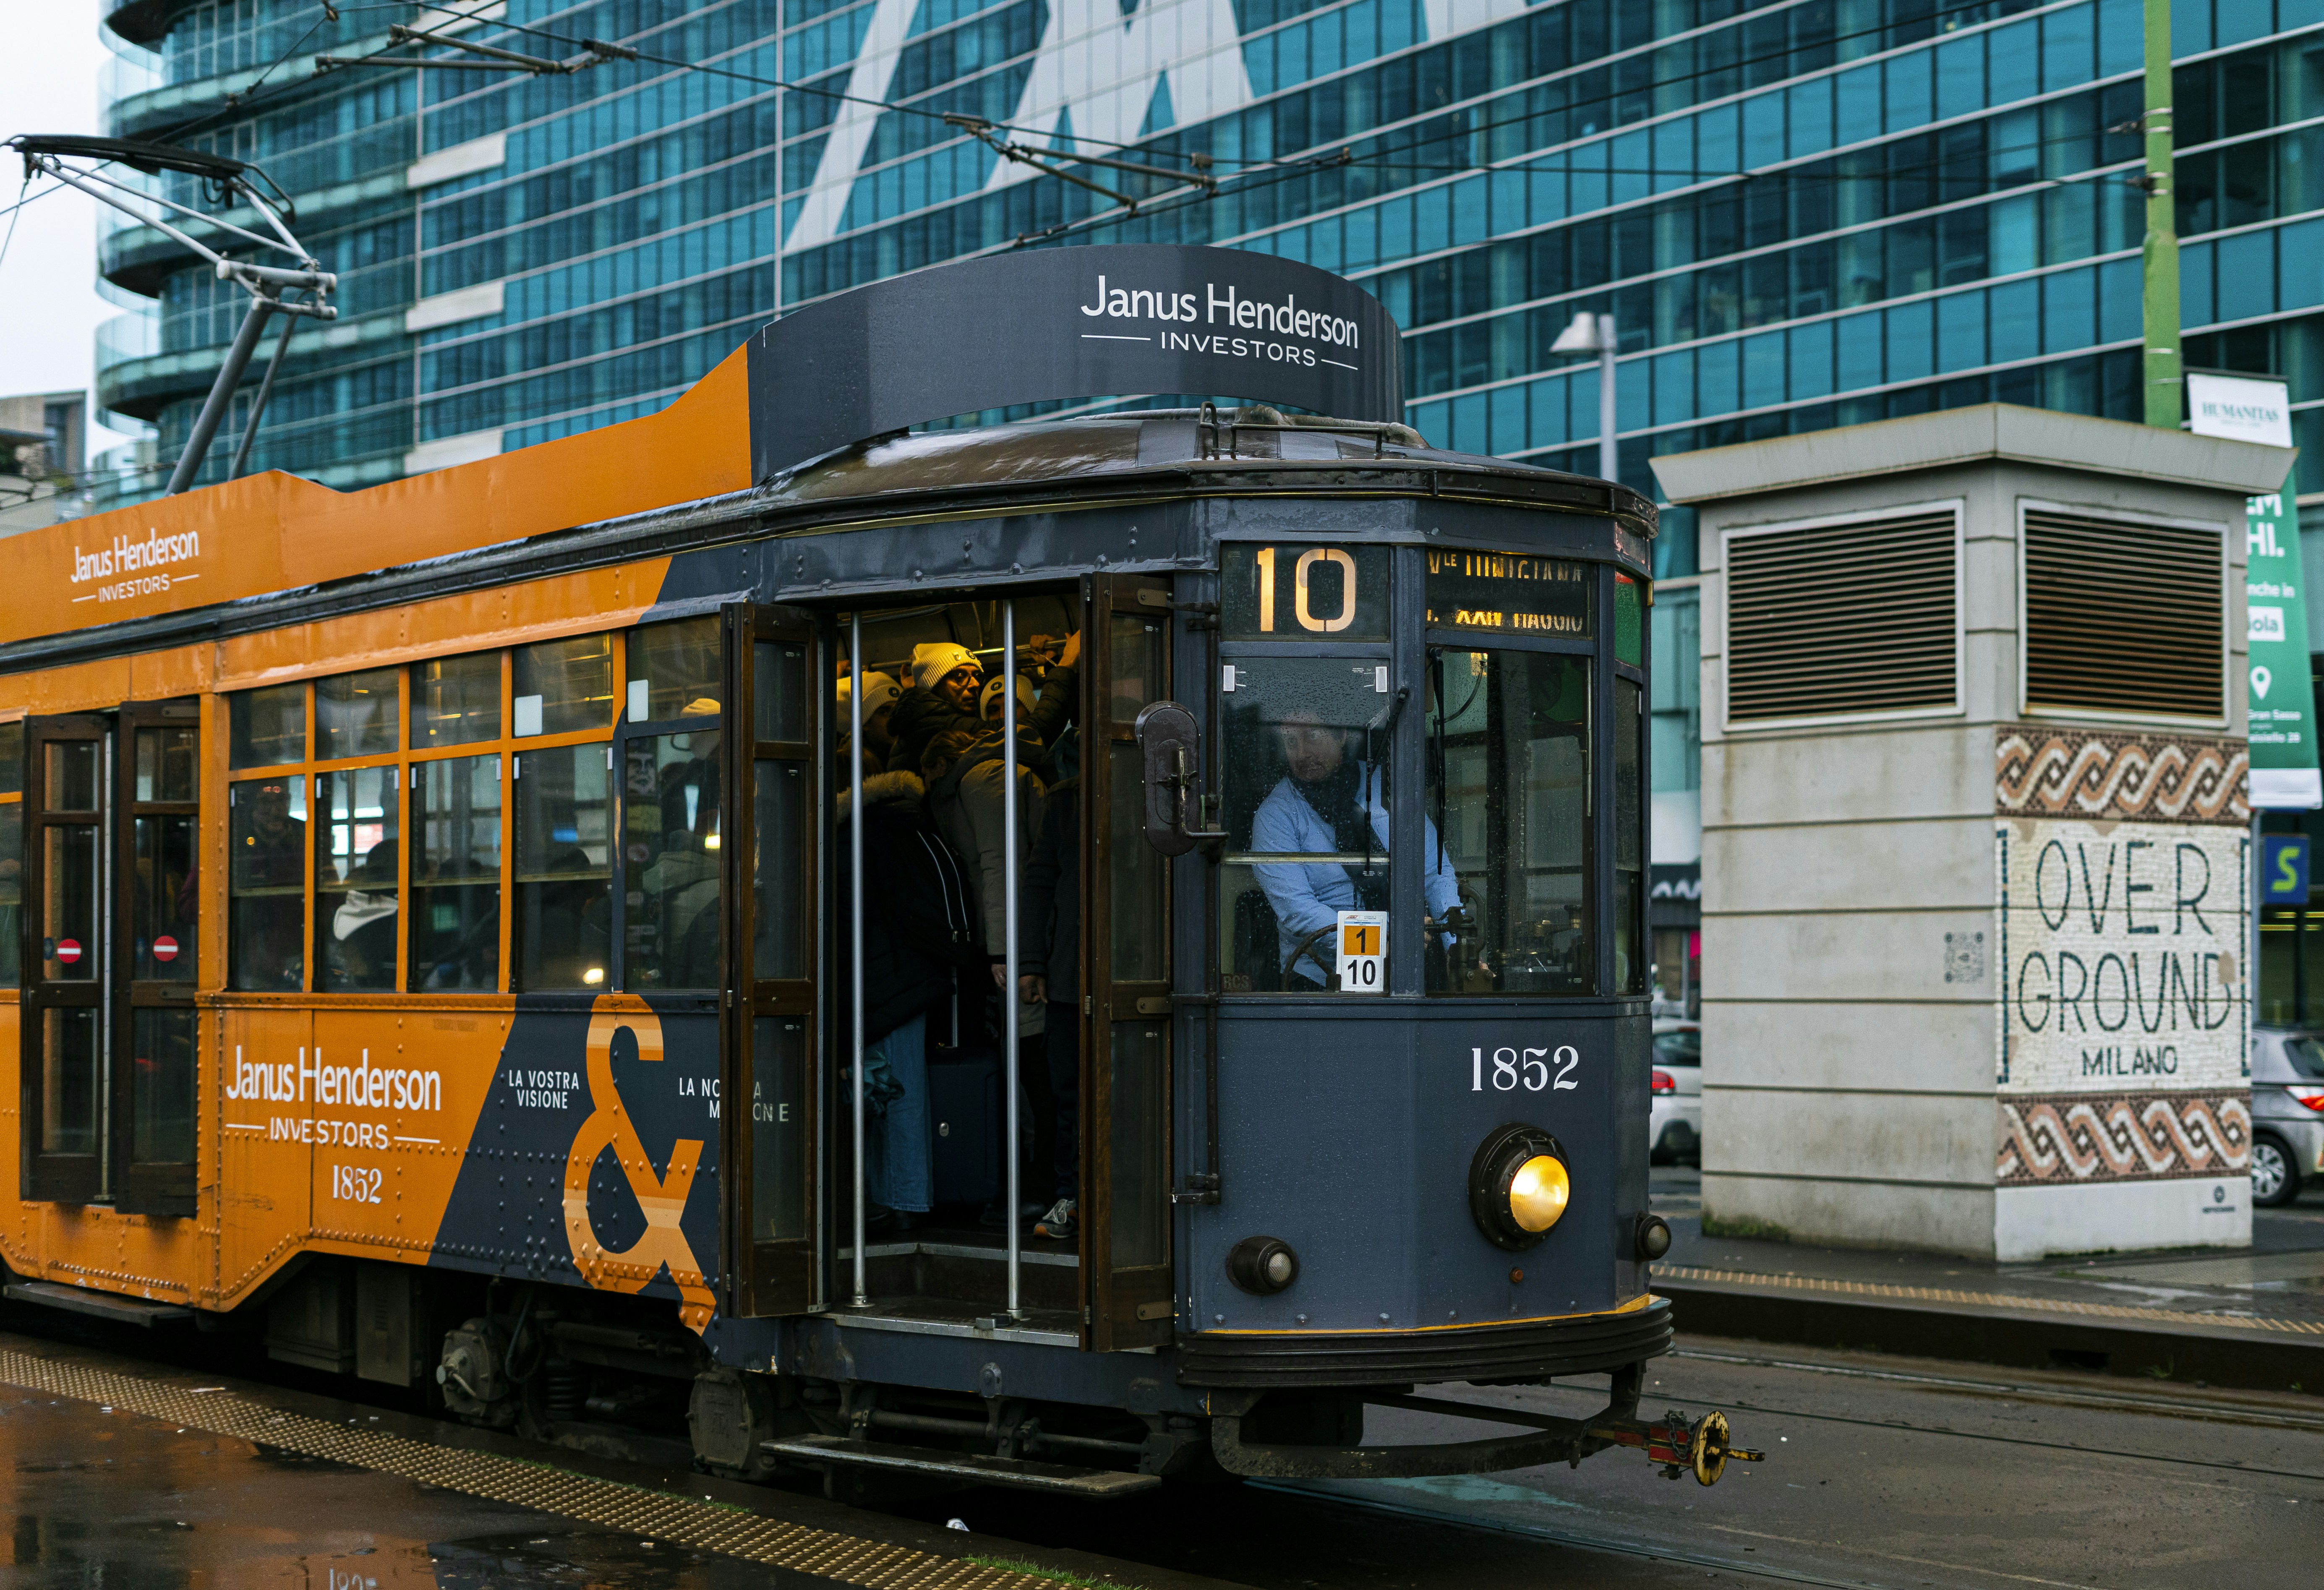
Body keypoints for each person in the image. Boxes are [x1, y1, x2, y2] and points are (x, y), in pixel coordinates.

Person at [837, 760, 982, 1232]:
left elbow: (844, 918)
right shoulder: (922, 828)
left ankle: (900, 1200)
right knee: (903, 1089)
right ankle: (901, 1197)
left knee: (887, 1093)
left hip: (879, 980)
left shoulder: (858, 836)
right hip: (921, 978)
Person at [923, 728, 1055, 1230]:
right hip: (1027, 943)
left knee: (1030, 1067)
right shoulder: (1002, 776)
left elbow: (1000, 867)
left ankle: (1035, 1189)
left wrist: (1008, 951)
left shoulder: (985, 780)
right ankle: (1038, 1185)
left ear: (939, 762)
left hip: (1019, 948)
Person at [1251, 715, 1460, 987]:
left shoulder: (1388, 785)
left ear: (1342, 736)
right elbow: (1297, 910)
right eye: (1291, 742)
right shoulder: (1276, 815)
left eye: (1312, 737)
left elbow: (1434, 874)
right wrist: (1383, 937)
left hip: (1413, 958)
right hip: (1320, 976)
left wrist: (1453, 948)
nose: (1301, 752)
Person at [1017, 775, 1080, 1241]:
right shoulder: (1068, 799)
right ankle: (1072, 1196)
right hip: (1069, 973)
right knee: (1070, 1094)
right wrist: (1033, 961)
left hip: (1141, 964)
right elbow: (1039, 884)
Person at [888, 634, 1080, 781]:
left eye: (976, 676)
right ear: (933, 685)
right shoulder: (945, 728)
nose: (974, 684)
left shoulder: (923, 721)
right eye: (960, 677)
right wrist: (1066, 663)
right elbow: (1035, 732)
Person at [837, 670, 901, 779]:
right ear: (865, 723)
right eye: (884, 713)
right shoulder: (853, 765)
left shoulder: (905, 754)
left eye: (898, 711)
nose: (895, 719)